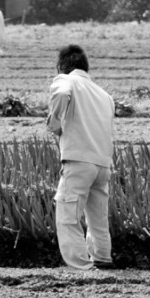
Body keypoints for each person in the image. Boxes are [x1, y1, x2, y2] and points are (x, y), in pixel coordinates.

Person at [46, 45, 115, 270]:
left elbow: (61, 93)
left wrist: (54, 124)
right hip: (103, 162)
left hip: (79, 159)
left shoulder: (65, 80)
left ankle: (80, 267)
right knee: (98, 217)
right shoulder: (104, 95)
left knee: (68, 214)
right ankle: (103, 258)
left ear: (62, 67)